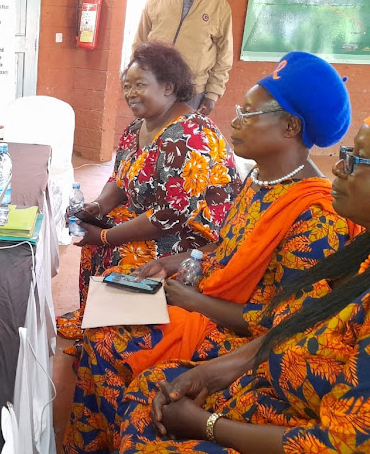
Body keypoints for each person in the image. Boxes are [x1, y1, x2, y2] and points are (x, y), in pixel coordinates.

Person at [63, 52, 357, 453]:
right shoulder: (260, 180)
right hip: (208, 297)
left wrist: (193, 301)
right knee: (108, 308)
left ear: (289, 126)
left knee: (110, 342)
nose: (233, 121)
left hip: (241, 338)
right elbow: (225, 244)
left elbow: (281, 325)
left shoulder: (316, 219)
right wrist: (174, 262)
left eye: (249, 114)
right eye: (239, 109)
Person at [117, 117, 370, 454]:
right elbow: (291, 322)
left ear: (290, 126)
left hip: (287, 420)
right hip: (261, 380)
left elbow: (342, 444)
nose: (338, 168)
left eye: (356, 160)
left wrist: (205, 424)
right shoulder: (361, 254)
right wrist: (209, 375)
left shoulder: (318, 217)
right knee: (149, 390)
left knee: (125, 363)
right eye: (346, 153)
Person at [57, 41, 241, 341]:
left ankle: (114, 337)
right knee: (98, 239)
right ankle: (94, 322)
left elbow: (171, 216)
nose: (130, 92)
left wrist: (105, 235)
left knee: (118, 253)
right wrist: (99, 207)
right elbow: (120, 179)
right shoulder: (137, 127)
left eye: (139, 84)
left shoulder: (188, 137)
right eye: (126, 85)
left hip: (190, 238)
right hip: (156, 221)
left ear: (168, 87)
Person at [133, 0, 233, 116]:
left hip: (192, 92)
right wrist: (138, 80)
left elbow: (225, 54)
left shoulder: (219, 6)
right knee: (150, 139)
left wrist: (212, 95)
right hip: (155, 85)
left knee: (181, 140)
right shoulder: (157, 0)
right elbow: (139, 43)